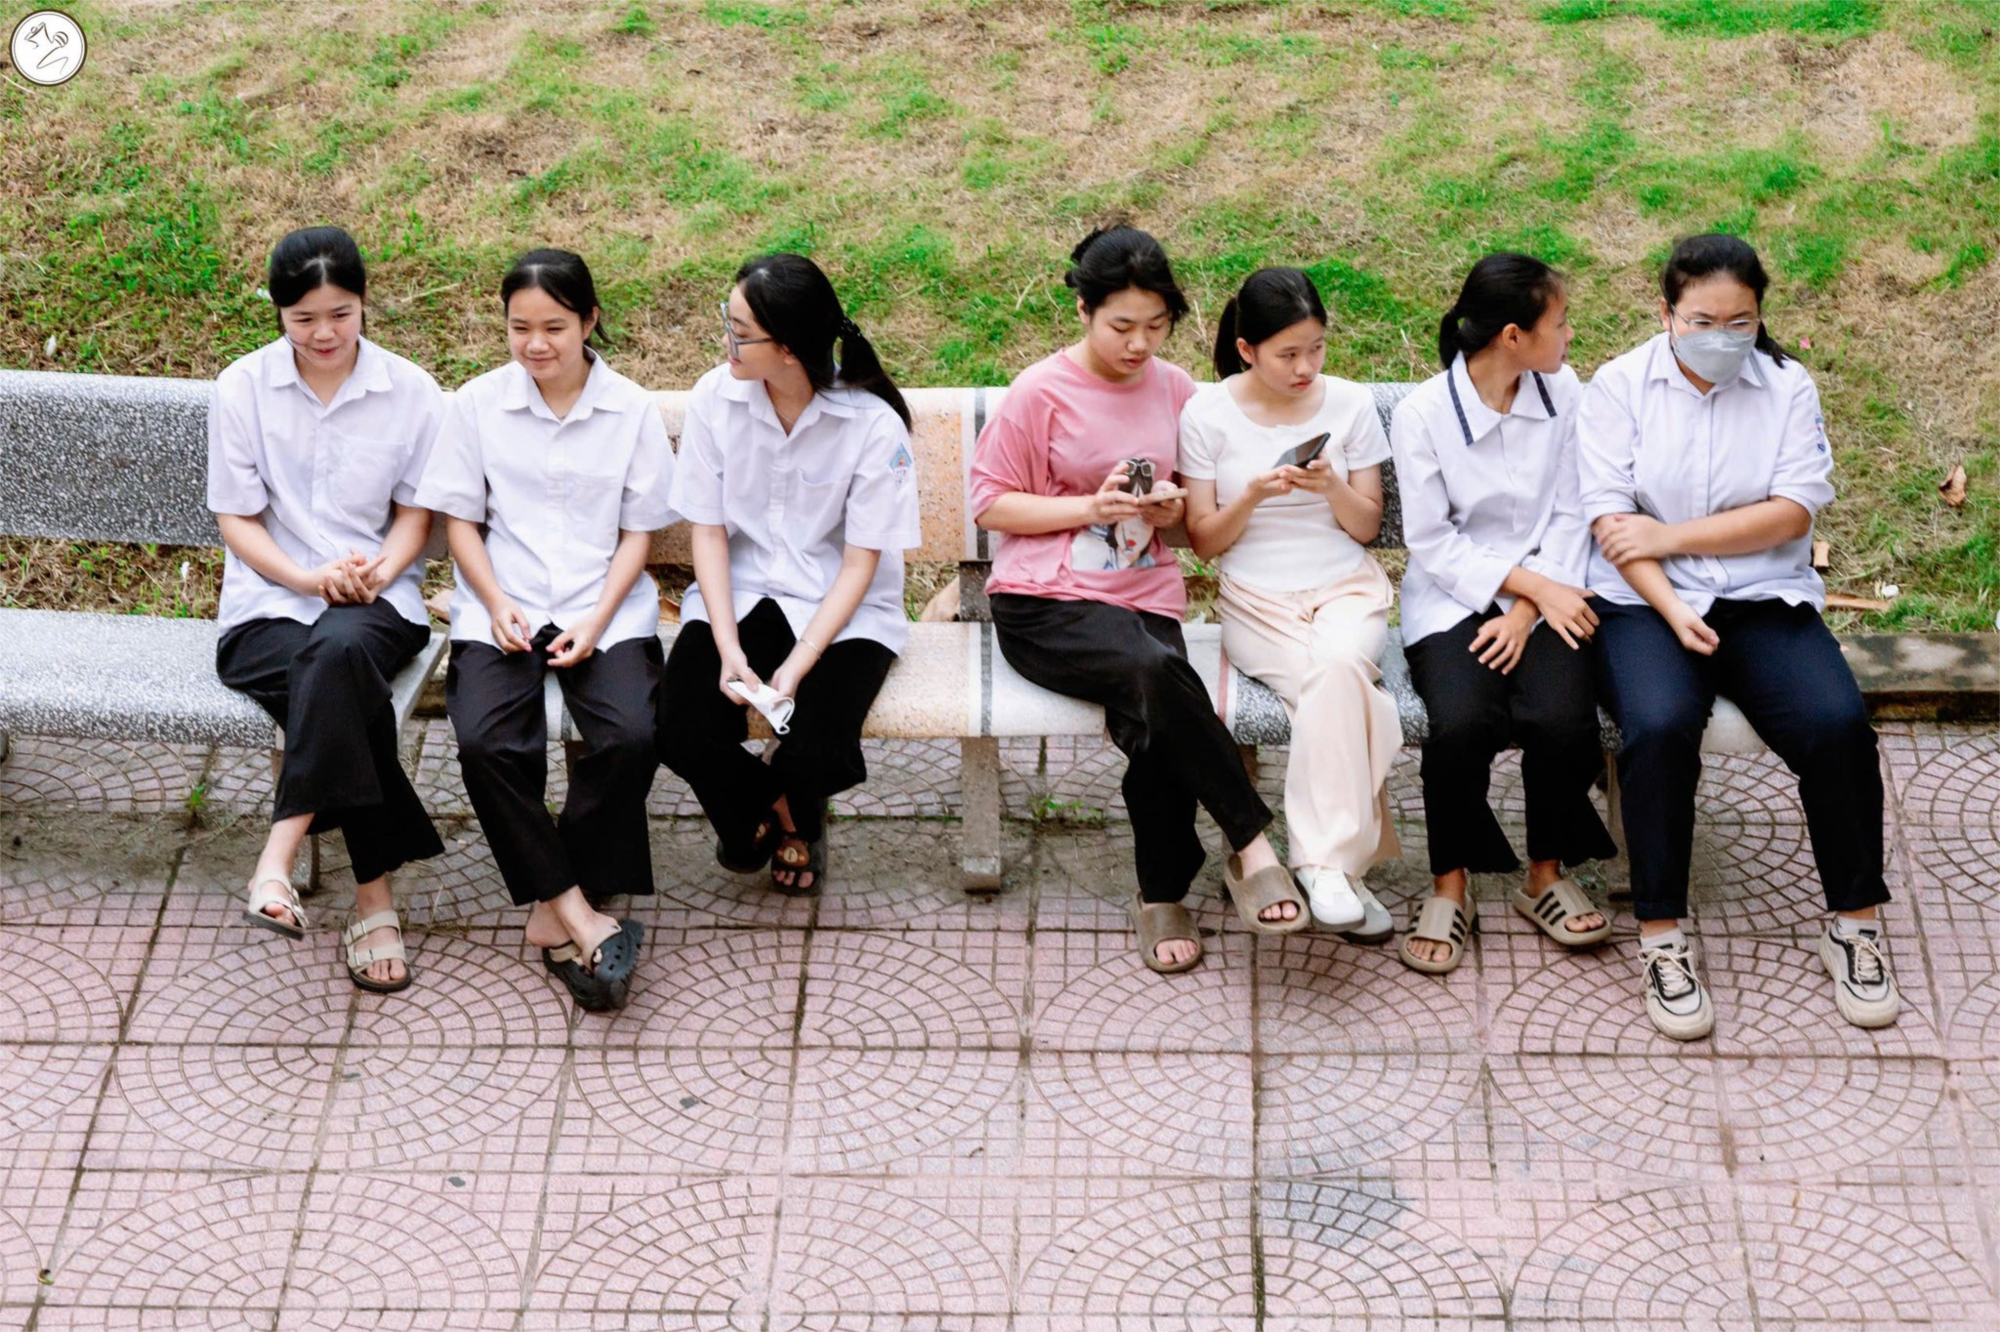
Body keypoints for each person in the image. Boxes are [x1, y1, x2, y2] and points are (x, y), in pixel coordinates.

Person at [1579, 232, 1897, 1040]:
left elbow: (1791, 513)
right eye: (1702, 321)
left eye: (1740, 322)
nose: (1722, 338)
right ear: (1666, 313)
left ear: (1760, 316)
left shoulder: (1787, 386)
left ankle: (1854, 925)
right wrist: (1670, 604)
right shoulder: (1619, 385)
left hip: (1760, 595)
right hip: (1643, 601)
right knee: (1658, 727)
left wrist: (1672, 536)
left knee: (1835, 725)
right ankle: (1662, 936)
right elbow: (1612, 524)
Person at [970, 225, 1297, 975]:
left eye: (1156, 326)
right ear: (1083, 310)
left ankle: (1162, 893)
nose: (1140, 344)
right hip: (1045, 600)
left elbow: (1188, 530)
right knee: (1156, 675)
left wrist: (1169, 512)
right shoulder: (1040, 391)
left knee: (1155, 712)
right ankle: (1251, 842)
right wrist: (1091, 507)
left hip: (1141, 593)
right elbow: (990, 504)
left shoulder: (1176, 390)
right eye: (1122, 326)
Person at [415, 248, 671, 1012]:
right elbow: (461, 522)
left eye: (554, 327)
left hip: (604, 603)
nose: (535, 344)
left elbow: (638, 533)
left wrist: (599, 618)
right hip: (508, 604)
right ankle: (576, 912)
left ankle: (553, 904)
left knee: (632, 734)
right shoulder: (477, 405)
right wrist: (493, 601)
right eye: (519, 327)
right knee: (486, 742)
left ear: (589, 321)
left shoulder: (630, 411)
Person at [210, 225, 446, 994]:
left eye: (340, 314)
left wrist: (376, 572)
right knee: (339, 676)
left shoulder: (409, 391)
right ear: (277, 312)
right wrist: (309, 581)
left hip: (377, 600)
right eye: (303, 318)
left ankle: (275, 861)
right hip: (267, 605)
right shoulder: (243, 387)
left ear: (365, 302)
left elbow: (416, 515)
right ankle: (373, 901)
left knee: (342, 651)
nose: (323, 334)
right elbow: (237, 518)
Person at [658, 253, 920, 894]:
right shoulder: (715, 398)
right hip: (742, 591)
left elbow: (860, 563)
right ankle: (780, 811)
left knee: (820, 744)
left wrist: (799, 664)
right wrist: (727, 647)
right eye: (728, 322)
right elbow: (709, 532)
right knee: (679, 724)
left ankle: (763, 813)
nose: (726, 341)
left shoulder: (871, 424)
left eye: (740, 332)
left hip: (846, 609)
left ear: (788, 349)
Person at [1390, 252, 1618, 976]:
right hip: (1452, 595)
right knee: (1461, 722)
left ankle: (1544, 874)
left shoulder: (1564, 391)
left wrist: (1527, 608)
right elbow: (1433, 541)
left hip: (1550, 589)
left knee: (1562, 718)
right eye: (1562, 323)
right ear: (1513, 336)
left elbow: (1574, 511)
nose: (1571, 336)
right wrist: (1525, 592)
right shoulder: (1425, 413)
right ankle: (1450, 884)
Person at [1178, 266, 1399, 942]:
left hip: (1345, 588)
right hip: (1256, 599)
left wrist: (1330, 487)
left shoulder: (1351, 404)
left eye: (1317, 348)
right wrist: (1251, 494)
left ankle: (1319, 865)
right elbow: (1205, 543)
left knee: (1336, 672)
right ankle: (1347, 873)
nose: (1307, 367)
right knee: (1346, 694)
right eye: (1288, 354)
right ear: (1246, 349)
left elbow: (1366, 527)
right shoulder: (1207, 413)